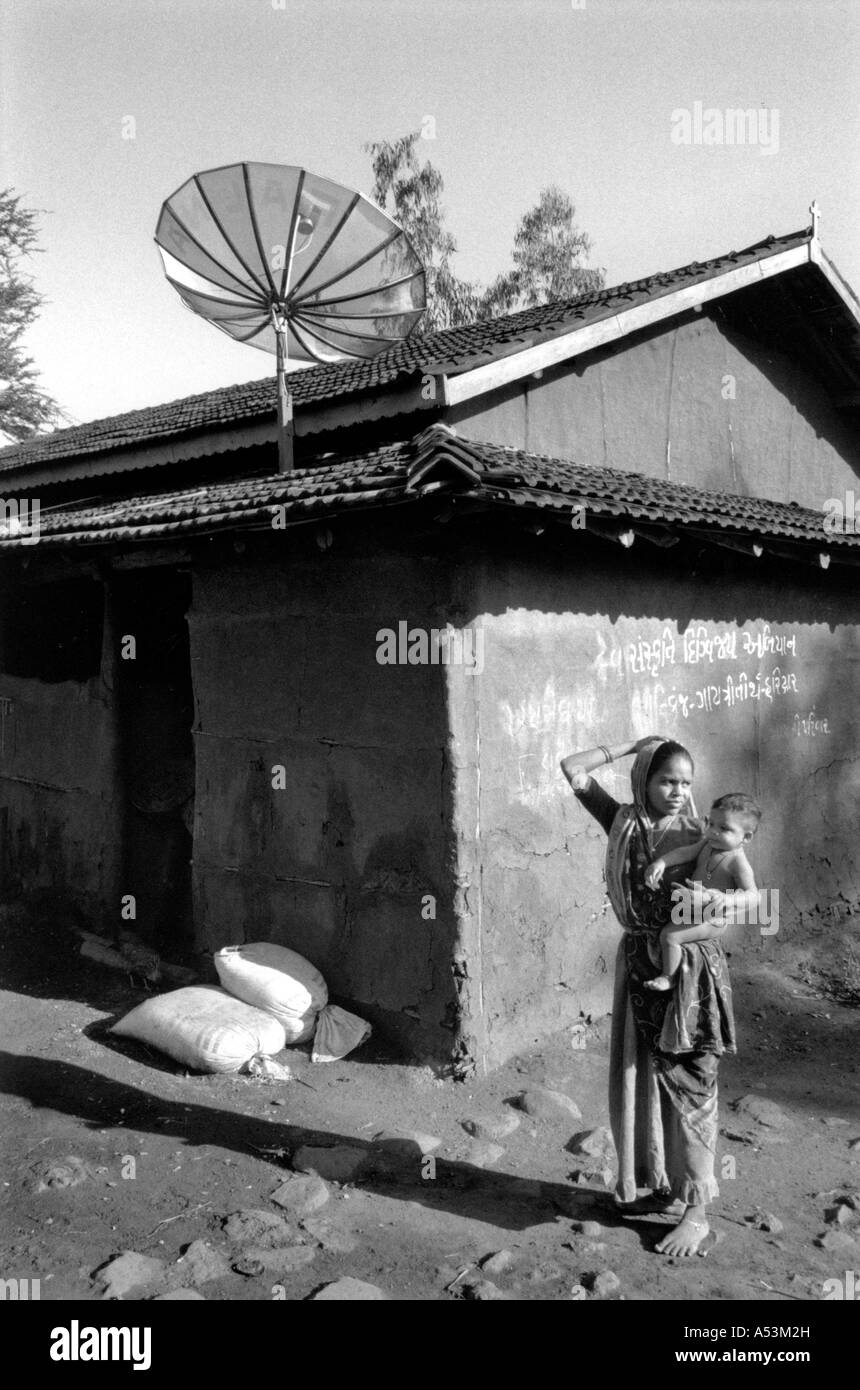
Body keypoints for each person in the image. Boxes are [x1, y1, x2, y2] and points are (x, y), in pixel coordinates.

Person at [560, 735, 736, 1257]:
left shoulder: (705, 836)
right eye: (666, 780)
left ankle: (698, 1212)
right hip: (638, 963)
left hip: (690, 975)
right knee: (641, 1079)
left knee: (692, 1084)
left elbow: (727, 913)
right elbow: (572, 768)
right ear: (644, 780)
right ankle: (654, 1182)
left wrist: (687, 931)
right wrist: (630, 747)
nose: (678, 791)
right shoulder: (622, 821)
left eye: (686, 782)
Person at [642, 793, 762, 991]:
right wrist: (661, 862)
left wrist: (726, 899)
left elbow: (754, 895)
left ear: (746, 837)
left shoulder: (737, 862)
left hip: (712, 918)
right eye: (711, 824)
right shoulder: (707, 845)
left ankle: (668, 977)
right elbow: (684, 853)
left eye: (724, 828)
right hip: (692, 907)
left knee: (670, 936)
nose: (713, 832)